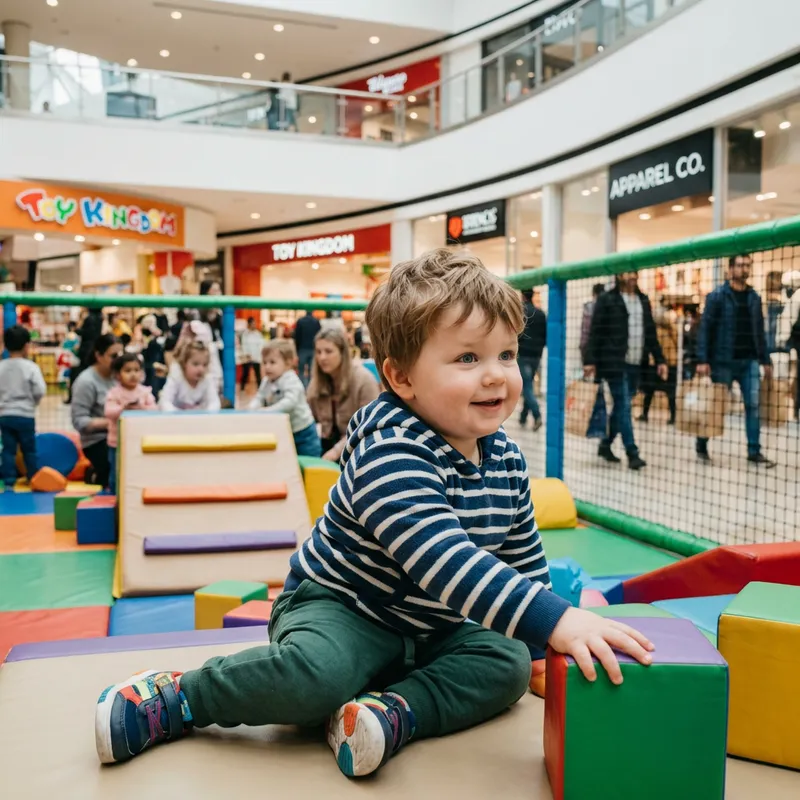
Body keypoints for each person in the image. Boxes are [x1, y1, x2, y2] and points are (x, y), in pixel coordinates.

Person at [94, 248, 654, 773]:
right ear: (401, 376)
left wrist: (536, 647)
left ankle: (393, 712)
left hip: (434, 623)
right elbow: (441, 557)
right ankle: (181, 696)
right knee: (317, 678)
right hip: (344, 607)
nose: (496, 374)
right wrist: (555, 618)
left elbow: (520, 553)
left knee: (503, 663)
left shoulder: (504, 455)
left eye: (505, 354)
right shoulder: (390, 449)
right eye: (467, 357)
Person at [696, 254, 775, 466]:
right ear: (730, 269)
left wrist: (765, 360)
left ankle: (753, 450)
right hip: (723, 361)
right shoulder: (717, 296)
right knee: (716, 404)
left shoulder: (754, 298)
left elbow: (760, 332)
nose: (744, 269)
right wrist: (702, 359)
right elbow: (705, 329)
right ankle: (702, 442)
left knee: (753, 404)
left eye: (747, 265)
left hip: (748, 361)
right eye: (740, 265)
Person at [584, 272, 667, 470]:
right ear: (619, 275)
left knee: (622, 407)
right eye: (627, 272)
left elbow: (650, 332)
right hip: (614, 363)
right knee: (624, 405)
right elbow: (596, 331)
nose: (631, 276)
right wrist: (590, 361)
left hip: (636, 363)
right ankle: (632, 452)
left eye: (634, 272)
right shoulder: (607, 299)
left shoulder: (643, 300)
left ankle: (605, 445)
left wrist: (660, 359)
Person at [307, 328, 380, 462]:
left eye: (328, 351)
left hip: (359, 451)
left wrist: (335, 452)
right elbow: (308, 420)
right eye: (318, 352)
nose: (322, 357)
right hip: (325, 449)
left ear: (342, 352)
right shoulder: (316, 383)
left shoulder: (364, 380)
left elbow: (368, 425)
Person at [249, 340, 321, 457]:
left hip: (303, 432)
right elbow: (259, 397)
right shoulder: (266, 381)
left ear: (287, 363)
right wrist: (252, 409)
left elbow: (290, 402)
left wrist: (269, 411)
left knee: (309, 460)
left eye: (272, 362)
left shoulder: (290, 379)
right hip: (286, 430)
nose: (267, 367)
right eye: (265, 362)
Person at [71, 334, 122, 489]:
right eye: (113, 356)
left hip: (120, 436)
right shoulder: (86, 382)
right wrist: (111, 423)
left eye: (121, 355)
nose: (118, 360)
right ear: (99, 356)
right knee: (116, 468)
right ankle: (97, 475)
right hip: (96, 441)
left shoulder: (120, 376)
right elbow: (79, 421)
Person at [0, 325, 46, 490]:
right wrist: (33, 401)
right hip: (25, 414)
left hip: (5, 414)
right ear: (27, 345)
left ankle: (9, 481)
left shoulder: (2, 366)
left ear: (5, 345)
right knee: (29, 449)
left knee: (8, 449)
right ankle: (32, 477)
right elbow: (40, 389)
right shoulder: (30, 367)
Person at [103, 354, 156, 494]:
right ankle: (115, 498)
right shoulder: (114, 393)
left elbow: (154, 410)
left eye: (136, 370)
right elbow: (108, 412)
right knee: (116, 473)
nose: (133, 374)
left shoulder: (145, 392)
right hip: (117, 443)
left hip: (140, 440)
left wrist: (142, 408)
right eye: (127, 371)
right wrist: (123, 409)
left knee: (138, 471)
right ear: (118, 375)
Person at [638, 298, 679, 425]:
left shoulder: (655, 332)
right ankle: (673, 416)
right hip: (671, 363)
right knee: (670, 392)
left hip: (655, 364)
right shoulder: (672, 331)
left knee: (649, 391)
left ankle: (645, 415)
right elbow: (678, 344)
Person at [160, 340, 221, 412]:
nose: (201, 369)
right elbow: (164, 402)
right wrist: (177, 415)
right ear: (184, 363)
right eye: (195, 364)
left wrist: (208, 414)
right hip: (176, 419)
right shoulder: (176, 377)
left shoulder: (207, 379)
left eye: (205, 365)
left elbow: (214, 402)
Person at [581, 283, 608, 439]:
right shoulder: (608, 307)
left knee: (597, 394)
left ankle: (598, 430)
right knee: (600, 394)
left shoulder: (590, 308)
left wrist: (587, 359)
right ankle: (600, 430)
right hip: (607, 359)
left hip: (592, 358)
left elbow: (585, 334)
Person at [517, 289, 546, 431]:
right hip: (537, 355)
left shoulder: (521, 313)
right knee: (528, 385)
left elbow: (518, 335)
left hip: (524, 355)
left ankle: (537, 415)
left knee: (527, 387)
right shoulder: (541, 313)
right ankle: (522, 417)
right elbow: (545, 336)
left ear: (522, 295)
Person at [293, 310, 322, 388]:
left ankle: (301, 387)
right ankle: (310, 387)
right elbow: (319, 335)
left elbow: (297, 336)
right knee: (311, 370)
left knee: (301, 370)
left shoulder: (300, 321)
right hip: (312, 348)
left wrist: (297, 349)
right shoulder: (316, 321)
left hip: (302, 348)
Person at [240, 317, 264, 391]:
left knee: (258, 374)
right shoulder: (245, 334)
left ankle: (260, 388)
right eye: (252, 323)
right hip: (247, 357)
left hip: (256, 357)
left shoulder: (258, 334)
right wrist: (247, 354)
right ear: (249, 324)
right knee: (245, 373)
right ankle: (242, 387)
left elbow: (261, 345)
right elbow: (244, 345)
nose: (254, 325)